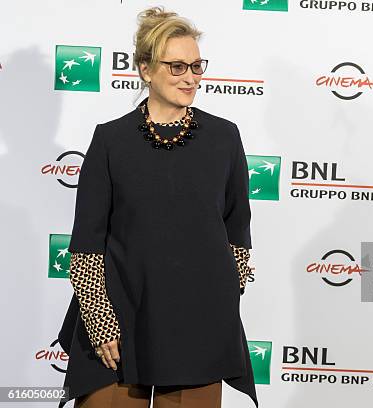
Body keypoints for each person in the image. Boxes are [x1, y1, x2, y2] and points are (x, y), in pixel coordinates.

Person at [56, 6, 258, 408]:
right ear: (146, 69)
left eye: (197, 67)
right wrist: (100, 322)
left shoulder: (224, 138)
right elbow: (86, 245)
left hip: (199, 327)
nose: (190, 78)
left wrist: (217, 305)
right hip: (118, 323)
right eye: (177, 66)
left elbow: (238, 235)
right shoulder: (111, 140)